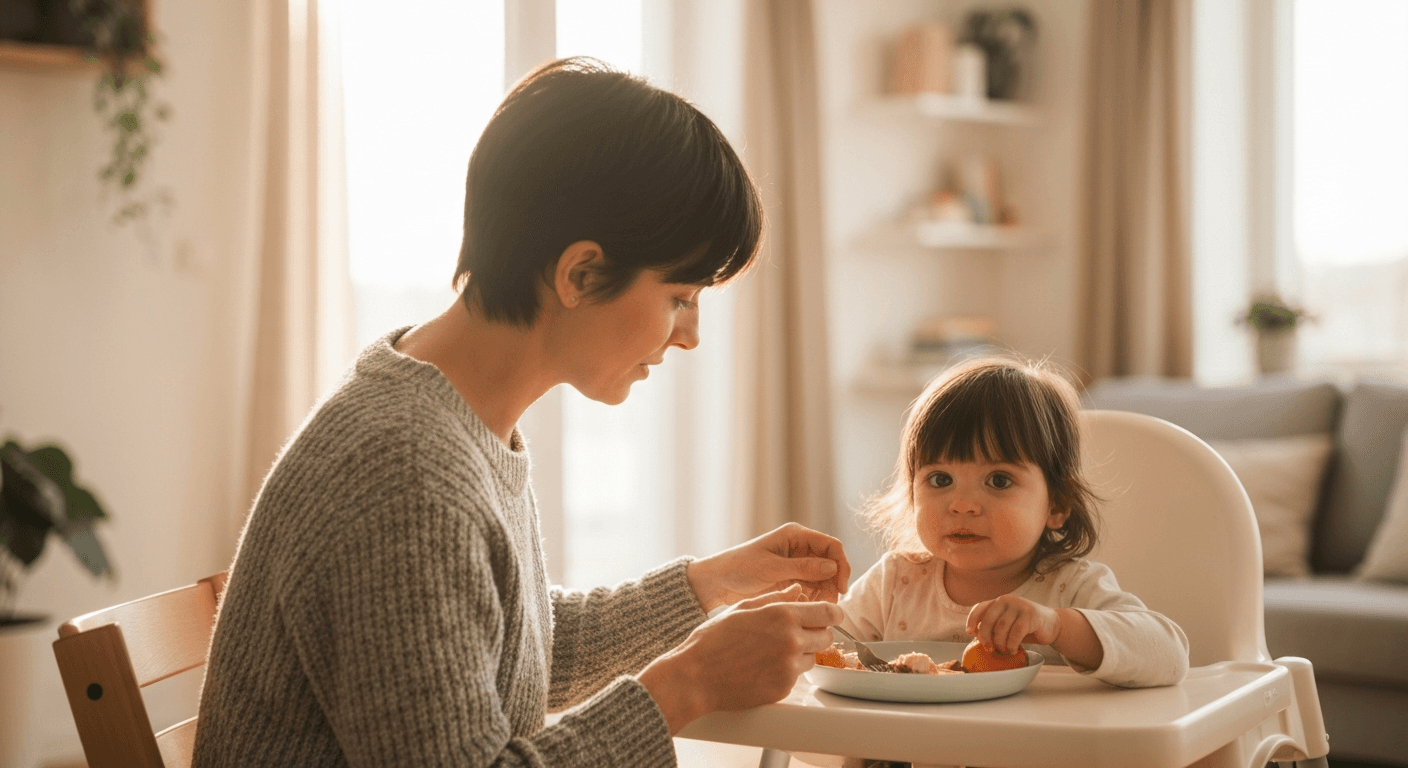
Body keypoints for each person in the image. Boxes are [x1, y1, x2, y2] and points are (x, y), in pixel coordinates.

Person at [193, 57, 849, 767]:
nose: (690, 335)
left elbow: (520, 650)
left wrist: (711, 584)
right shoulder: (403, 472)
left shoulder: (451, 419)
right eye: (680, 297)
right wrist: (687, 681)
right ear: (580, 273)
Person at [829, 357, 1189, 768]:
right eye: (939, 479)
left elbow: (1169, 654)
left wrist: (1056, 626)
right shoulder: (895, 582)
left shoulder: (1068, 587)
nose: (962, 505)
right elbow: (826, 656)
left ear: (1056, 504)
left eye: (998, 480)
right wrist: (810, 612)